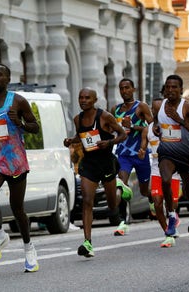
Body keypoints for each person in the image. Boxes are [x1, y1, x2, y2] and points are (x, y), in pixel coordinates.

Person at [0, 63, 40, 272]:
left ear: (8, 79)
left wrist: (20, 124)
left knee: (17, 208)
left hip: (15, 161)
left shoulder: (18, 101)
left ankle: (29, 248)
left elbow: (35, 128)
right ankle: (0, 235)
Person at [63, 87, 127, 258]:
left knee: (112, 205)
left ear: (94, 100)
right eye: (80, 97)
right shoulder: (78, 119)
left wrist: (110, 142)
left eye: (87, 98)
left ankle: (119, 188)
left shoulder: (105, 116)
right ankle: (88, 242)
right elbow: (82, 136)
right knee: (87, 201)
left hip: (106, 162)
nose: (83, 100)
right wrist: (71, 140)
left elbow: (123, 134)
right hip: (89, 164)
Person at [151, 74, 189, 248]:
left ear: (181, 90)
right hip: (166, 152)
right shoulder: (160, 105)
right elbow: (156, 123)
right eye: (168, 87)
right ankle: (172, 216)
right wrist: (157, 128)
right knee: (166, 180)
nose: (171, 90)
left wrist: (179, 120)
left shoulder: (188, 107)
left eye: (174, 87)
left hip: (185, 155)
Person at [110, 78, 154, 236]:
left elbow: (152, 126)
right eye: (121, 88)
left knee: (144, 190)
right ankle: (122, 222)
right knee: (121, 185)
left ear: (133, 89)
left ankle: (151, 200)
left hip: (140, 153)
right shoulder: (115, 109)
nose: (124, 91)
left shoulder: (141, 106)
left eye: (127, 88)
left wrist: (133, 126)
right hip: (123, 153)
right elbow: (110, 128)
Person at [139, 121, 181, 248]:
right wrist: (141, 153)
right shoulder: (148, 130)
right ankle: (168, 233)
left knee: (173, 204)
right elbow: (143, 148)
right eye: (154, 110)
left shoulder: (173, 125)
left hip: (173, 170)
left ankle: (173, 216)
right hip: (157, 170)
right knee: (157, 202)